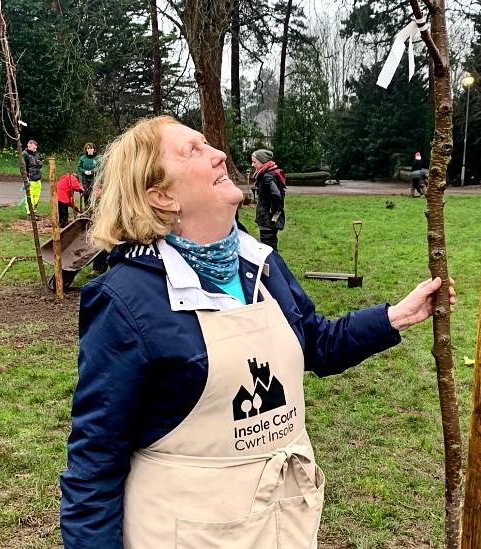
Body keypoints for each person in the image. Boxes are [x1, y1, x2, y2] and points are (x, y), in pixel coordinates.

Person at [59, 115, 455, 548]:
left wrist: (395, 316)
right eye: (193, 151)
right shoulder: (126, 298)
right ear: (162, 195)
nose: (219, 155)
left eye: (208, 143)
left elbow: (317, 344)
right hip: (188, 534)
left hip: (282, 524)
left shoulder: (261, 263)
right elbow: (94, 463)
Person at [250, 149, 285, 250]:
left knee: (268, 248)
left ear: (262, 162)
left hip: (267, 220)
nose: (252, 165)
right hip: (268, 219)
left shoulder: (267, 176)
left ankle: (274, 265)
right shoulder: (270, 173)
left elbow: (276, 194)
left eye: (254, 162)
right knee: (270, 246)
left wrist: (272, 211)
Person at [22, 140, 43, 214]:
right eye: (34, 148)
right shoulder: (25, 154)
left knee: (37, 195)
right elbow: (23, 167)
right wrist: (26, 179)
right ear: (29, 145)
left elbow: (38, 166)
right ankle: (29, 211)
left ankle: (33, 209)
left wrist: (40, 164)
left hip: (37, 178)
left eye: (36, 148)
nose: (35, 150)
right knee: (30, 195)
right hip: (30, 179)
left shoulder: (35, 154)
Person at [77, 142, 98, 207]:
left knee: (93, 193)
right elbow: (79, 167)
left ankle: (93, 206)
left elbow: (100, 167)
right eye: (88, 148)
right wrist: (84, 171)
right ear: (86, 150)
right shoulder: (83, 158)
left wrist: (92, 171)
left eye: (91, 148)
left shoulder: (97, 158)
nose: (89, 150)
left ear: (94, 149)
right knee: (86, 193)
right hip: (85, 178)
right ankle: (86, 206)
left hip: (94, 178)